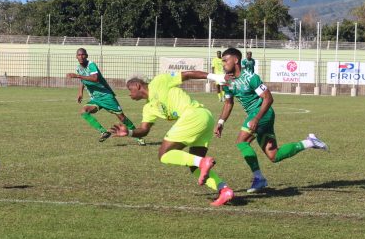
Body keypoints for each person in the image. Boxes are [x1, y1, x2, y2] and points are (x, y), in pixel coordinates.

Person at [110, 70, 234, 206]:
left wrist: (216, 77)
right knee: (194, 166)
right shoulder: (148, 108)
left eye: (129, 89)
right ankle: (224, 190)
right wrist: (129, 133)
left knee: (164, 154)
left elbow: (187, 74)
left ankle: (202, 162)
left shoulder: (159, 81)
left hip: (194, 115)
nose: (129, 94)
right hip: (204, 119)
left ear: (137, 85)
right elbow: (144, 130)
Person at [215, 47, 328, 192]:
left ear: (236, 60)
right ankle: (309, 142)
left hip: (263, 113)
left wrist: (256, 118)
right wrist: (220, 122)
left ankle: (258, 178)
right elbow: (228, 103)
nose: (223, 64)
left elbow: (268, 98)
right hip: (257, 116)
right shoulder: (227, 82)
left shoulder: (251, 77)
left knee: (241, 141)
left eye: (225, 61)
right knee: (274, 155)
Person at [67, 48, 145, 145]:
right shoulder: (78, 68)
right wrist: (80, 92)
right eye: (79, 55)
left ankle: (138, 136)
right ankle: (103, 132)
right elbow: (83, 81)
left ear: (86, 56)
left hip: (106, 96)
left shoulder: (91, 65)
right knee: (84, 111)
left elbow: (95, 78)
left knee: (122, 118)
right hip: (96, 99)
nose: (81, 57)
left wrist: (77, 76)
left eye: (83, 54)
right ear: (76, 57)